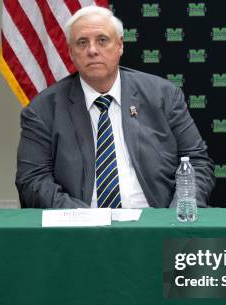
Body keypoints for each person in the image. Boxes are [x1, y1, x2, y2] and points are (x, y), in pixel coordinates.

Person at [15, 6, 215, 209]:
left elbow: (196, 162)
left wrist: (177, 213)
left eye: (102, 40)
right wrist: (83, 219)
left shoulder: (163, 95)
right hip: (81, 231)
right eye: (82, 43)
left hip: (156, 224)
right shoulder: (42, 110)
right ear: (70, 53)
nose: (92, 50)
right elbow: (33, 181)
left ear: (119, 46)